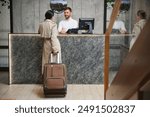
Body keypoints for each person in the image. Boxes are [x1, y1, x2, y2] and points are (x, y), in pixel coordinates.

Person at [38, 10, 61, 74]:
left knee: (45, 62)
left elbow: (39, 33)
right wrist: (55, 48)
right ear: (52, 16)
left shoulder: (41, 24)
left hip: (45, 44)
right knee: (55, 62)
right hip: (53, 44)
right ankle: (55, 78)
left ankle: (45, 77)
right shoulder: (53, 25)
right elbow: (53, 37)